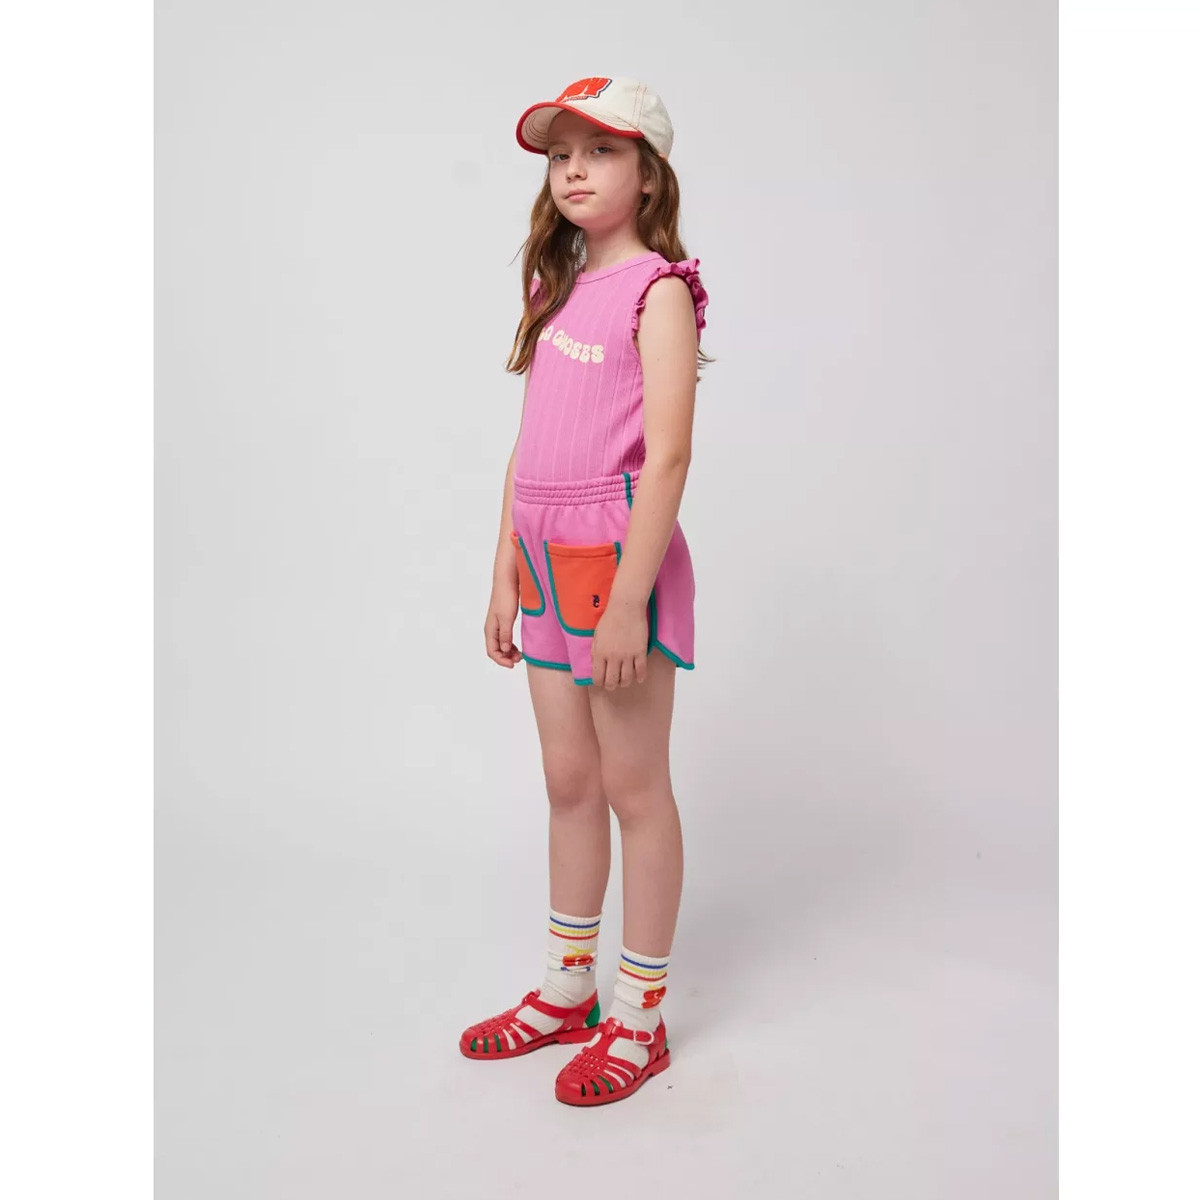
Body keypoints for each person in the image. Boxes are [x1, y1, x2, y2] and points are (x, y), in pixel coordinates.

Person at [461, 76, 712, 1107]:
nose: (574, 170)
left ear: (647, 173)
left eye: (601, 152)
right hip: (543, 554)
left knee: (631, 788)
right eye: (561, 154)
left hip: (614, 559)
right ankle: (570, 987)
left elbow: (669, 457)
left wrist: (627, 601)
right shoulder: (553, 285)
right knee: (569, 780)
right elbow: (530, 444)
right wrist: (502, 565)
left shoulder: (659, 290)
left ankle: (639, 1018)